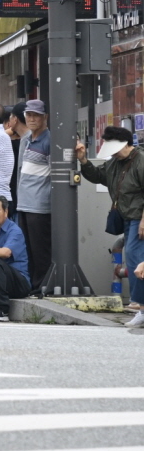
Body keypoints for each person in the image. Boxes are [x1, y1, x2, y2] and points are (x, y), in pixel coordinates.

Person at [77, 126, 144, 329]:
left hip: (138, 217)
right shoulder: (115, 162)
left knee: (134, 257)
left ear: (125, 144)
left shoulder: (141, 160)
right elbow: (99, 176)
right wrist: (83, 160)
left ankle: (140, 304)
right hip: (127, 217)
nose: (112, 153)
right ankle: (140, 306)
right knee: (135, 258)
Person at [13, 101, 53, 290]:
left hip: (40, 204)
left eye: (36, 115)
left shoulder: (50, 140)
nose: (32, 119)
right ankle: (30, 285)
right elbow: (20, 171)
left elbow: (54, 175)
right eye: (29, 115)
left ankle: (42, 286)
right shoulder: (25, 139)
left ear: (45, 117)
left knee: (40, 249)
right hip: (24, 202)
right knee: (27, 248)